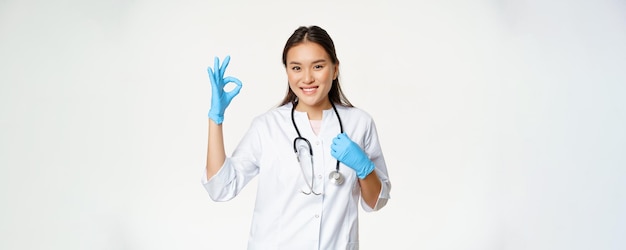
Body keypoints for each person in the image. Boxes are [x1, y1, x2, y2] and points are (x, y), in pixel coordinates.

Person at [202, 25, 391, 249]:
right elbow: (221, 188)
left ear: (335, 69)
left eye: (318, 66)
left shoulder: (359, 123)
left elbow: (376, 202)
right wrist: (216, 119)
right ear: (287, 72)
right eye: (296, 68)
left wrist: (365, 167)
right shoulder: (267, 126)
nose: (307, 78)